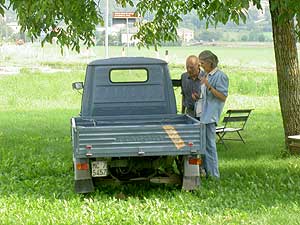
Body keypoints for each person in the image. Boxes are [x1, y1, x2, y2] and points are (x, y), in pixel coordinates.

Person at [198, 50, 229, 178]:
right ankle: (207, 172)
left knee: (210, 146)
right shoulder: (207, 75)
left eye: (202, 63)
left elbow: (223, 96)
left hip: (210, 116)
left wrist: (209, 86)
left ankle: (214, 175)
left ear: (210, 62)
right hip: (204, 115)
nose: (201, 66)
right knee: (204, 146)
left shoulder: (220, 76)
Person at [181, 55, 204, 119]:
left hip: (203, 113)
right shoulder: (184, 77)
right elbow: (183, 95)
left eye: (191, 67)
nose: (189, 70)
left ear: (198, 66)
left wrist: (200, 99)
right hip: (189, 113)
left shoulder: (206, 77)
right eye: (187, 67)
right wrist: (182, 112)